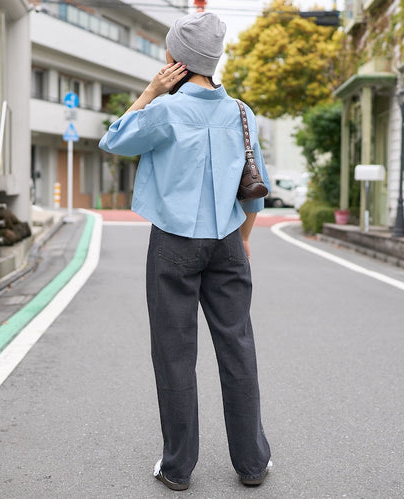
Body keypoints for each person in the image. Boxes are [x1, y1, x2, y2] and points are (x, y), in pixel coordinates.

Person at [99, 11, 272, 492]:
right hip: (229, 243)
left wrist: (152, 90)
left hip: (174, 243)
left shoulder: (165, 112)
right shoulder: (241, 111)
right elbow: (255, 191)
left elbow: (112, 139)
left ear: (175, 59)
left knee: (174, 354)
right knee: (237, 348)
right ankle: (253, 464)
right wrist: (244, 240)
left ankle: (178, 468)